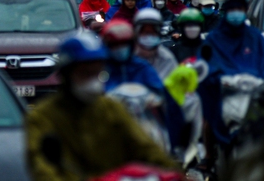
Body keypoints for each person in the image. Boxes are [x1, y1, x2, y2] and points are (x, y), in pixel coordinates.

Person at [25, 36, 177, 181]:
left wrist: (173, 173)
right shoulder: (42, 118)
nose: (93, 80)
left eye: (97, 72)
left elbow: (146, 149)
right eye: (85, 73)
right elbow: (42, 169)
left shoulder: (112, 110)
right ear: (67, 74)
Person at [198, 0, 264, 163]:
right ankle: (209, 156)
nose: (236, 14)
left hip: (252, 91)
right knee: (210, 117)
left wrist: (262, 77)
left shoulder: (255, 37)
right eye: (232, 10)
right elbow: (206, 63)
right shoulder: (214, 38)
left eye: (239, 10)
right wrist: (217, 77)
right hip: (224, 91)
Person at [101, 21, 165, 96]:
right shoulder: (102, 69)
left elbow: (159, 92)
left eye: (124, 44)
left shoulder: (142, 67)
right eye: (115, 45)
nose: (120, 48)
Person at [134, 9, 178, 80]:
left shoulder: (166, 58)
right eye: (145, 32)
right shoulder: (130, 55)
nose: (148, 37)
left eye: (152, 33)